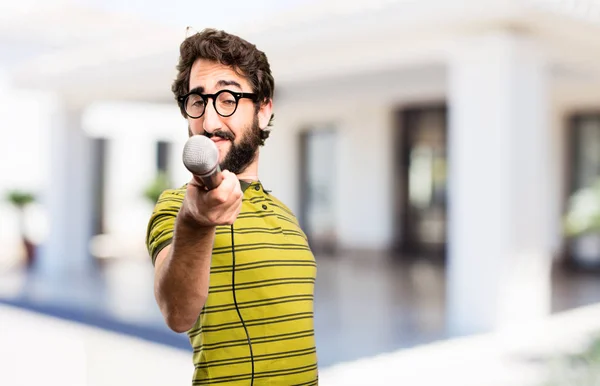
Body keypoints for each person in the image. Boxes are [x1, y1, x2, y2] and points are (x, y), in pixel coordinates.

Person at [145, 28, 319, 385]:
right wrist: (195, 222)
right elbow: (176, 313)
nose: (208, 123)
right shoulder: (178, 207)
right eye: (197, 101)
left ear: (263, 110)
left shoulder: (286, 216)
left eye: (227, 98)